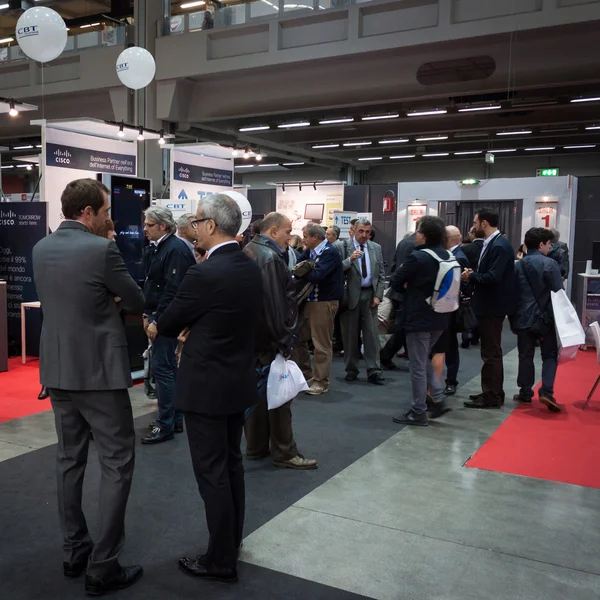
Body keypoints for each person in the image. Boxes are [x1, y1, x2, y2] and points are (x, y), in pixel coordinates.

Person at [32, 178, 145, 596]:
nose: (109, 217)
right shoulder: (102, 250)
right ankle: (104, 564)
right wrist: (112, 301)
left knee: (69, 460)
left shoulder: (40, 248)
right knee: (117, 461)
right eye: (105, 210)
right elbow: (135, 299)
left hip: (57, 372)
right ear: (88, 213)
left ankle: (74, 549)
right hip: (99, 373)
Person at [157, 194, 263, 583]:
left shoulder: (205, 273)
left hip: (206, 386)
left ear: (212, 226)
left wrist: (179, 327)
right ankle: (229, 543)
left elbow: (169, 322)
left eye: (197, 221)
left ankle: (219, 559)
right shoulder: (249, 265)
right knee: (231, 466)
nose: (192, 227)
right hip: (236, 381)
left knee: (212, 473)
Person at [243, 213, 317, 469]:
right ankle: (285, 452)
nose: (291, 236)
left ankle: (255, 446)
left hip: (254, 338)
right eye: (287, 231)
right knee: (281, 395)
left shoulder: (250, 249)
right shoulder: (271, 258)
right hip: (271, 340)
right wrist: (285, 343)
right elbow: (275, 306)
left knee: (260, 394)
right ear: (273, 231)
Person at [390, 216, 454, 426]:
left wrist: (409, 287)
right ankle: (437, 396)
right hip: (442, 316)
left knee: (417, 365)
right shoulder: (447, 255)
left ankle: (419, 410)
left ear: (423, 235)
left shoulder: (418, 257)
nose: (415, 235)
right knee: (422, 359)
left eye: (418, 231)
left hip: (419, 316)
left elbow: (396, 280)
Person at [141, 206, 195, 444]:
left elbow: (173, 289)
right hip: (161, 316)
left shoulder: (175, 249)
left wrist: (157, 320)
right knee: (169, 369)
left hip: (166, 319)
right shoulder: (162, 247)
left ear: (163, 226)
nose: (144, 229)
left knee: (164, 371)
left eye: (149, 225)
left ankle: (166, 424)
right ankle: (173, 418)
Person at [462, 208, 515, 409]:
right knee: (489, 351)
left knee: (491, 352)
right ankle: (490, 391)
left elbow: (493, 277)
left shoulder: (500, 245)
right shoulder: (492, 243)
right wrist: (474, 273)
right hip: (488, 304)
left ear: (484, 223)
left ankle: (492, 396)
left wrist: (471, 276)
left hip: (493, 306)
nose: (474, 227)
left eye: (475, 223)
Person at [511, 227, 564, 411]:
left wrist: (513, 319)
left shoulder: (517, 266)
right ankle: (546, 392)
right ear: (541, 244)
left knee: (525, 356)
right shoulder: (550, 264)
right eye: (549, 244)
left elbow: (512, 295)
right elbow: (558, 293)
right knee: (549, 355)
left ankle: (525, 393)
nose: (550, 247)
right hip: (545, 319)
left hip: (523, 318)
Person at [297, 223, 344, 395]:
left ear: (314, 237)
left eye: (305, 236)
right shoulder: (310, 252)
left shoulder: (329, 253)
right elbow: (297, 265)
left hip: (324, 302)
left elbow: (317, 275)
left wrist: (303, 271)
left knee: (321, 343)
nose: (303, 239)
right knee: (299, 339)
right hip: (309, 302)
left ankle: (321, 381)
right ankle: (307, 374)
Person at [339, 218, 385, 384]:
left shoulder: (376, 248)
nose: (365, 235)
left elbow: (381, 274)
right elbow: (336, 270)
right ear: (353, 230)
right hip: (350, 298)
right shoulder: (342, 247)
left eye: (367, 232)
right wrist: (349, 260)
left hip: (370, 297)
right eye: (361, 231)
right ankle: (351, 369)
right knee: (350, 335)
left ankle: (374, 370)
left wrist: (378, 295)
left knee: (372, 336)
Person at [379, 230, 417, 369]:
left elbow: (394, 265)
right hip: (406, 292)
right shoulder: (417, 246)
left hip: (397, 291)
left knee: (401, 325)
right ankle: (385, 355)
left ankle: (391, 354)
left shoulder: (403, 242)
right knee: (402, 327)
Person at [443, 225, 470, 395]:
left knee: (450, 346)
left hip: (451, 308)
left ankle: (451, 380)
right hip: (447, 306)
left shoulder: (458, 257)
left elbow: (462, 285)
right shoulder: (454, 254)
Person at [460, 226, 484, 348]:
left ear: (474, 234)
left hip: (468, 281)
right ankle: (477, 336)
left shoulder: (466, 249)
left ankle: (467, 333)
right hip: (483, 283)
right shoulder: (488, 248)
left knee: (467, 309)